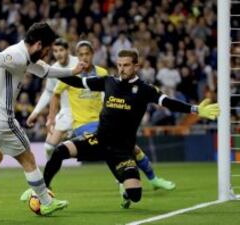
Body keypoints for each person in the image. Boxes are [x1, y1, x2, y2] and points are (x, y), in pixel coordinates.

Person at [39, 49, 219, 209]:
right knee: (60, 150)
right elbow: (78, 82)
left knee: (135, 195)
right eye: (119, 65)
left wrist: (195, 109)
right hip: (99, 140)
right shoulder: (108, 81)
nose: (122, 69)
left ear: (136, 66)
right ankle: (42, 191)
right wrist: (49, 71)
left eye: (126, 65)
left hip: (122, 150)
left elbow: (168, 103)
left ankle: (126, 193)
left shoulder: (145, 89)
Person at [0, 22, 86, 220]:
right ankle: (46, 203)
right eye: (47, 50)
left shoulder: (24, 55)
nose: (47, 54)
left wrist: (72, 71)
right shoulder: (16, 55)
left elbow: (47, 71)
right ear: (39, 44)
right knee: (29, 159)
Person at [46, 41, 175, 191]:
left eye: (87, 54)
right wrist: (50, 117)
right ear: (77, 56)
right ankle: (128, 183)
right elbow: (55, 95)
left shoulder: (102, 73)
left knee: (131, 149)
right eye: (80, 54)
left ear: (92, 54)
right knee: (117, 148)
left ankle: (148, 180)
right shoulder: (71, 73)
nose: (84, 57)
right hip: (83, 124)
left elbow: (110, 96)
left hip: (102, 121)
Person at [26, 38, 78, 160]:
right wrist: (35, 112)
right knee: (49, 147)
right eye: (55, 51)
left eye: (61, 50)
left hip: (83, 110)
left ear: (67, 50)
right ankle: (49, 174)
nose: (58, 53)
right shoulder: (54, 69)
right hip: (66, 111)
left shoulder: (78, 63)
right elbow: (48, 93)